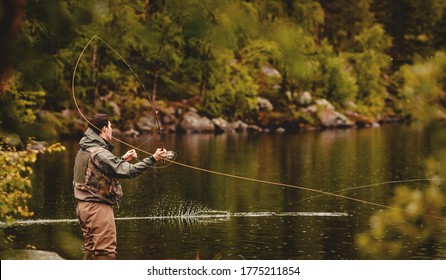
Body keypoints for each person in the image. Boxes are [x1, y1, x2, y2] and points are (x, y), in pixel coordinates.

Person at [73, 113, 166, 260]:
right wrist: (153, 158)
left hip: (83, 208)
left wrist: (121, 159)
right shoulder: (100, 153)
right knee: (105, 253)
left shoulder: (85, 149)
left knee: (92, 252)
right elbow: (130, 171)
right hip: (97, 210)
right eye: (110, 126)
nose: (111, 129)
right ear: (104, 129)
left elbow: (99, 171)